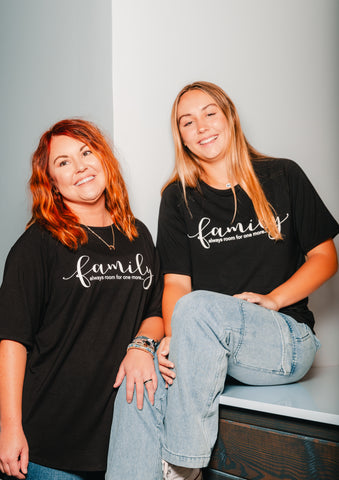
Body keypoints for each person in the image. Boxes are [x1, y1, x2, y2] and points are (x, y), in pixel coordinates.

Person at [106, 81, 339, 480]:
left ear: (229, 116)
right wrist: (171, 339)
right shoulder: (177, 198)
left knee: (196, 307)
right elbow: (176, 284)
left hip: (285, 340)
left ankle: (184, 464)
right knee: (138, 384)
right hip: (207, 347)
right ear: (180, 135)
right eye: (187, 121)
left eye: (210, 113)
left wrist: (274, 299)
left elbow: (325, 257)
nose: (201, 127)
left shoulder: (282, 175)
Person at [0, 119, 164, 480]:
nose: (80, 166)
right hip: (50, 447)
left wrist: (141, 346)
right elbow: (12, 341)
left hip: (123, 442)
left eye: (86, 152)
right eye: (63, 162)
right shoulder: (39, 244)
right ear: (51, 181)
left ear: (103, 158)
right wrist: (10, 428)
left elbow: (155, 313)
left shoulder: (137, 234)